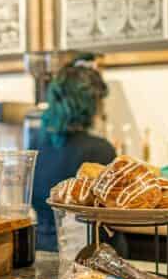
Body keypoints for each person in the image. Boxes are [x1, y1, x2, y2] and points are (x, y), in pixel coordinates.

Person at [30, 56, 117, 252]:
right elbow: (115, 213)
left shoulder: (35, 143)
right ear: (88, 104)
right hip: (90, 256)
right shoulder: (100, 149)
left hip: (41, 250)